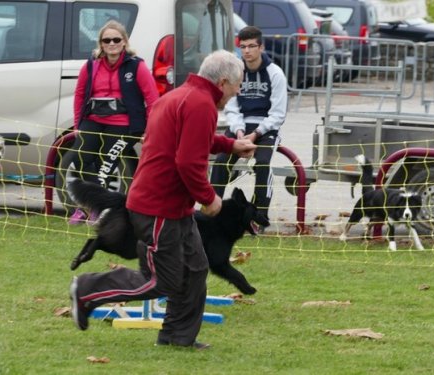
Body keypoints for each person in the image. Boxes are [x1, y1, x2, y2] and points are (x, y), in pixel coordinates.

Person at [69, 49, 257, 349]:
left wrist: (230, 145)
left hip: (173, 209)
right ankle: (87, 289)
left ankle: (178, 338)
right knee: (161, 280)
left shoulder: (180, 96)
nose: (235, 94)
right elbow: (187, 162)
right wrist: (209, 199)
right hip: (157, 209)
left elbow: (195, 139)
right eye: (235, 88)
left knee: (196, 269)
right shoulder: (200, 104)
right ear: (222, 82)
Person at [68, 20, 159, 224]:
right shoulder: (91, 65)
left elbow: (153, 99)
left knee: (106, 164)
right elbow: (80, 94)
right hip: (93, 119)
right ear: (100, 43)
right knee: (80, 158)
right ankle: (88, 206)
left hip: (124, 123)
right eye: (106, 40)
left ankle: (95, 208)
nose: (111, 44)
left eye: (116, 39)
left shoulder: (137, 65)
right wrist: (77, 124)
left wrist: (151, 129)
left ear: (124, 42)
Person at [210, 26, 287, 231]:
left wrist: (257, 133)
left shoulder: (275, 73)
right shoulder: (236, 71)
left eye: (252, 46)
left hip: (266, 128)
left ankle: (259, 216)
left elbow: (278, 113)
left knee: (262, 163)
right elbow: (231, 106)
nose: (247, 51)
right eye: (243, 46)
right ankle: (212, 211)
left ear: (261, 47)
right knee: (220, 162)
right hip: (240, 127)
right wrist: (239, 132)